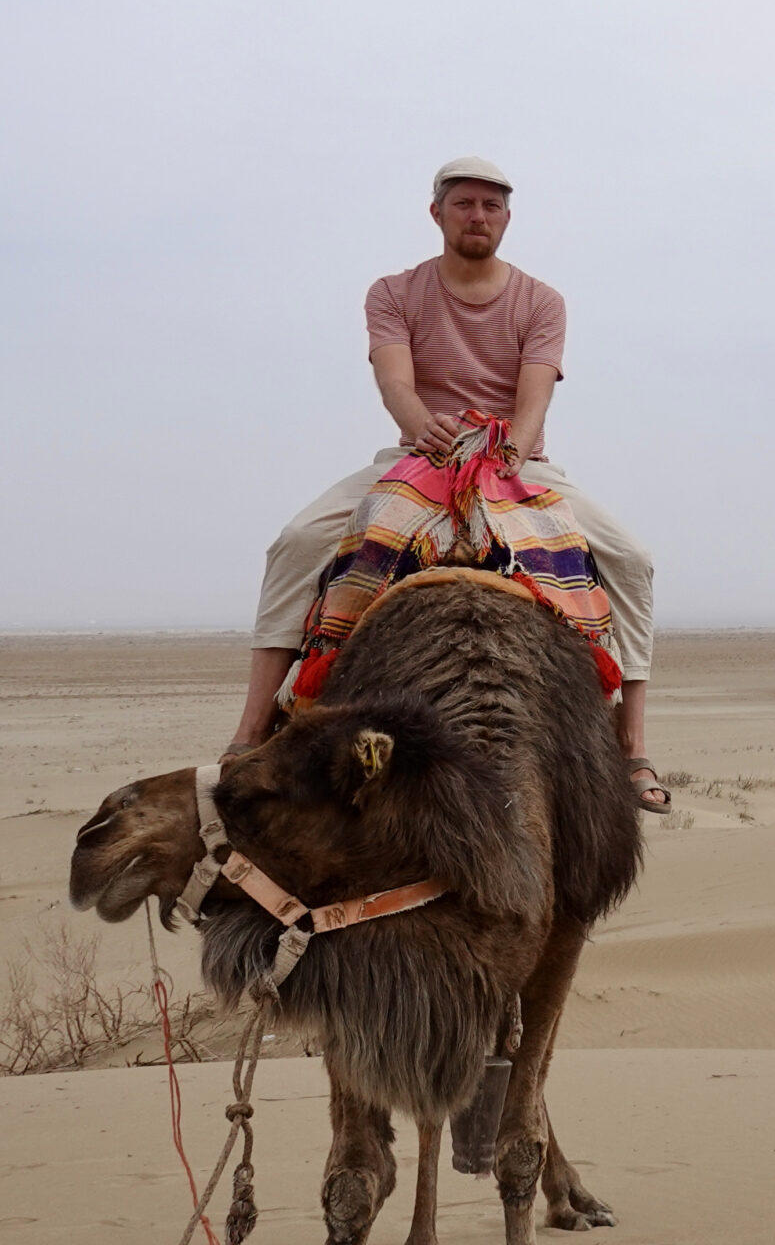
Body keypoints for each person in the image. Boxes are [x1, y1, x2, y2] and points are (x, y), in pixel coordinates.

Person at [225, 157, 669, 811]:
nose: (479, 216)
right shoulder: (394, 293)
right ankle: (253, 728)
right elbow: (395, 381)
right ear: (437, 213)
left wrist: (512, 447)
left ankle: (631, 745)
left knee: (632, 559)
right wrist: (423, 428)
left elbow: (534, 393)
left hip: (516, 462)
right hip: (418, 455)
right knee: (294, 543)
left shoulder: (540, 300)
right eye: (465, 204)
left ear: (508, 219)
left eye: (492, 206)